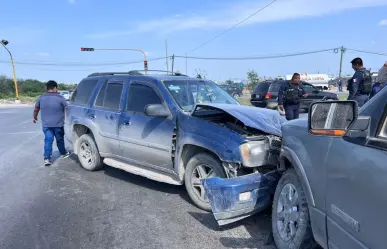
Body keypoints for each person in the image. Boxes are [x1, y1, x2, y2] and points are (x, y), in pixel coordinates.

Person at [33, 80, 70, 166]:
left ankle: (47, 158)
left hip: (47, 125)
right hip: (59, 125)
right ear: (55, 88)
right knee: (60, 140)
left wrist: (34, 117)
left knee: (48, 140)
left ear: (47, 88)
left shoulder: (41, 98)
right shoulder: (61, 98)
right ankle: (63, 153)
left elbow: (36, 109)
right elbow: (67, 109)